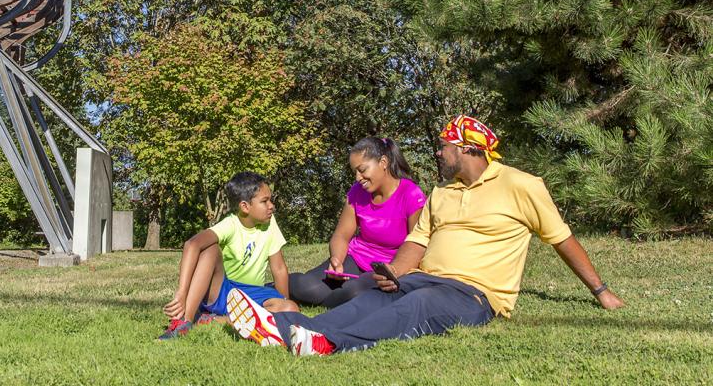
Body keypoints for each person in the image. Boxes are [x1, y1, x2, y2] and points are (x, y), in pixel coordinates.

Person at [227, 114, 625, 355]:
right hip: (420, 277)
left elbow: (562, 238)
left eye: (443, 147)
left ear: (466, 148)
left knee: (415, 309)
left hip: (473, 293)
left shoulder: (521, 185)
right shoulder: (442, 192)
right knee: (374, 298)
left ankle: (324, 341)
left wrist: (601, 291)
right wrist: (395, 273)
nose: (438, 153)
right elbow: (417, 241)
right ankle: (290, 328)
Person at [158, 171, 299, 340]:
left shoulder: (270, 222)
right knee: (210, 249)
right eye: (264, 201)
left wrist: (283, 300)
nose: (271, 206)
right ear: (245, 206)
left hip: (253, 295)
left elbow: (279, 268)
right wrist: (181, 293)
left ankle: (213, 320)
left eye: (270, 199)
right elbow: (192, 244)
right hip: (224, 291)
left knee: (290, 309)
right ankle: (184, 321)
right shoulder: (230, 224)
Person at [288, 137, 426, 307]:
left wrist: (396, 271)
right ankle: (272, 289)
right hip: (355, 258)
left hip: (386, 268)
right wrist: (337, 261)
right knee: (305, 286)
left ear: (383, 162)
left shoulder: (411, 194)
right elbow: (341, 235)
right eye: (355, 171)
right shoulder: (357, 192)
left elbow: (418, 245)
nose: (358, 178)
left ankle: (326, 301)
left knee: (352, 293)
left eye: (362, 170)